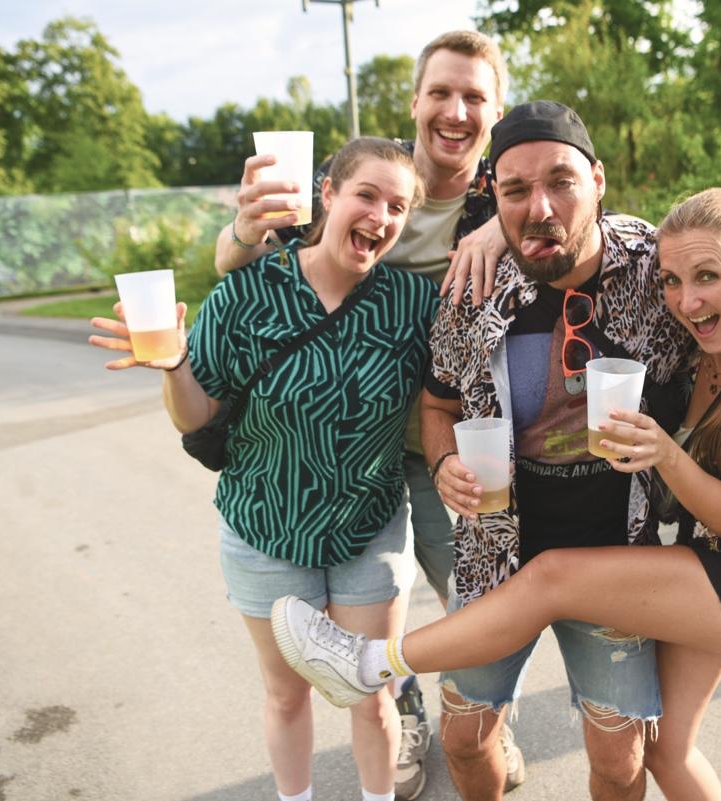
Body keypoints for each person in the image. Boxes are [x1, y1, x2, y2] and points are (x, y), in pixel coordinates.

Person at [267, 101, 721, 801]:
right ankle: (370, 665)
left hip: (645, 550)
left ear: (598, 181)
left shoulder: (652, 267)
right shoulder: (474, 289)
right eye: (515, 190)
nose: (540, 207)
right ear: (494, 198)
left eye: (561, 182)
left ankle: (367, 662)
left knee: (622, 754)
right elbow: (438, 404)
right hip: (503, 548)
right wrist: (446, 460)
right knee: (482, 738)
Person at [212, 31, 516, 798]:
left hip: (455, 440)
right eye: (440, 92)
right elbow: (251, 266)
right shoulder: (367, 178)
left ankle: (481, 723)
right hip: (361, 448)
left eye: (474, 97)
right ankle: (402, 712)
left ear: (496, 113)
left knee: (479, 602)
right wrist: (238, 231)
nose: (455, 111)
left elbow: (574, 217)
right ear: (414, 102)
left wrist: (502, 223)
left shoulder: (506, 192)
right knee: (379, 620)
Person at [90, 138, 436, 801]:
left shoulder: (412, 304)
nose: (381, 216)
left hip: (369, 526)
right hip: (265, 529)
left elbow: (454, 391)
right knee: (286, 694)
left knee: (371, 690)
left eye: (397, 207)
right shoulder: (246, 293)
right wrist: (173, 366)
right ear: (328, 193)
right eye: (366, 195)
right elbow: (194, 418)